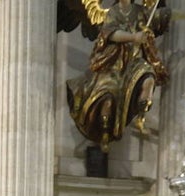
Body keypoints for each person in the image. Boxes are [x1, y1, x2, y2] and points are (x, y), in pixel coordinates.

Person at [66, 0, 172, 150]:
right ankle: (104, 132)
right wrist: (134, 37)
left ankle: (141, 116)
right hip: (114, 64)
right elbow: (111, 33)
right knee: (107, 96)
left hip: (135, 61)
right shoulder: (113, 12)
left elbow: (160, 17)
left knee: (148, 77)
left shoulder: (140, 11)